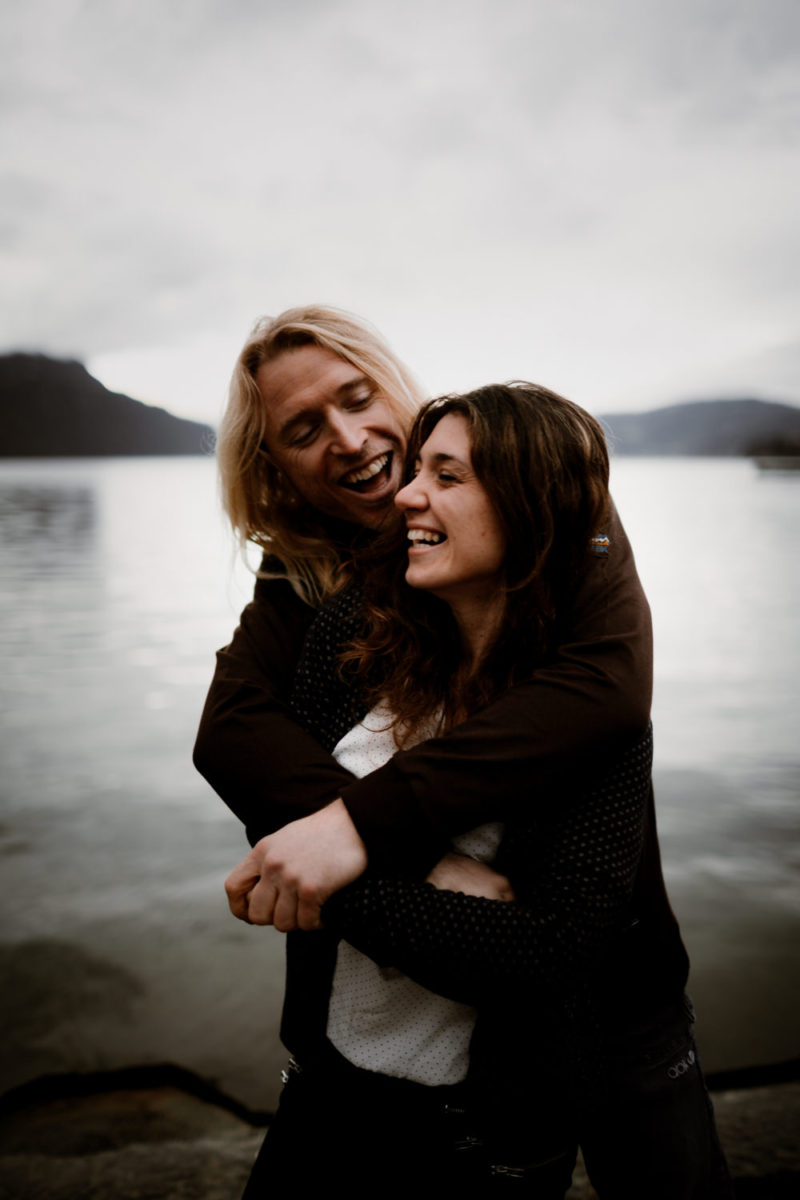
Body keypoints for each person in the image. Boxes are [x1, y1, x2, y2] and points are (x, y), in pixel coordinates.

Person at [223, 384, 731, 1196]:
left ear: (530, 509)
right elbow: (266, 776)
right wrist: (416, 869)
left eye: (448, 476)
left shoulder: (586, 716)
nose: (408, 494)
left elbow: (552, 950)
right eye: (419, 469)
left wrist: (338, 874)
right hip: (324, 1094)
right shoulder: (348, 646)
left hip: (477, 1133)